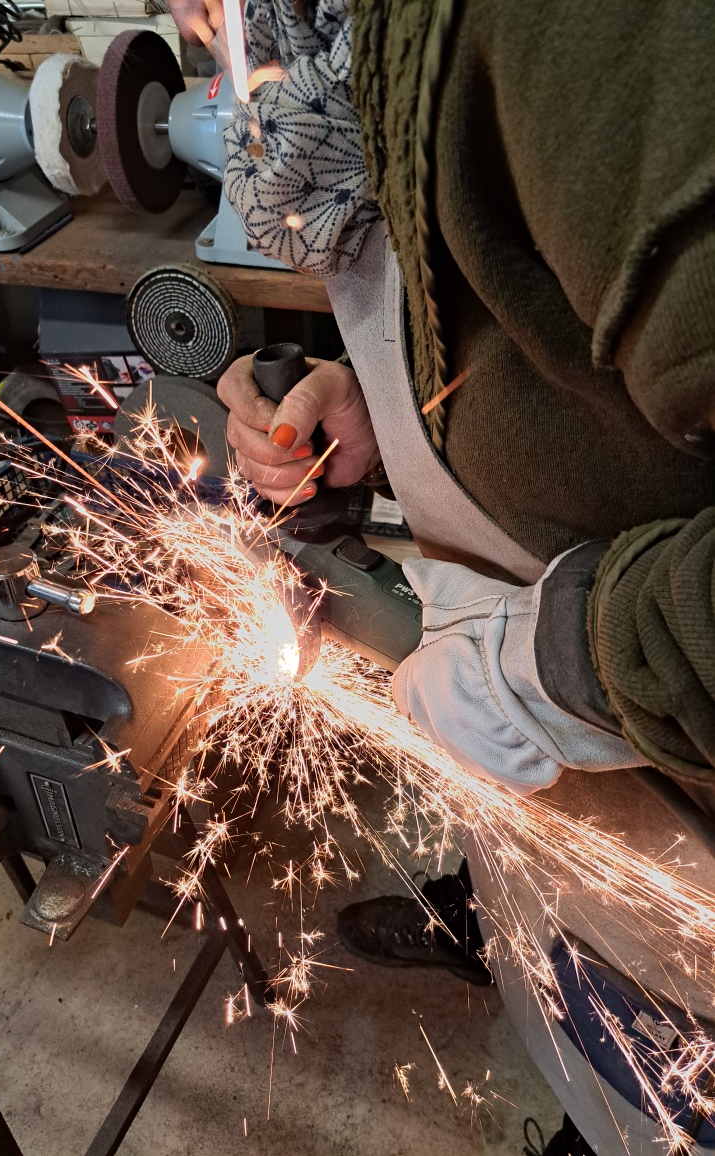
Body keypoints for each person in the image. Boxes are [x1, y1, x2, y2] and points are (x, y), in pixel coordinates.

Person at [165, 1, 715, 1152]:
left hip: (675, 791)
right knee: (620, 1075)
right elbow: (528, 296)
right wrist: (388, 405)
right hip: (599, 833)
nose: (200, 23)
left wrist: (554, 663)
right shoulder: (353, 49)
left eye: (205, 10)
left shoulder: (578, 35)